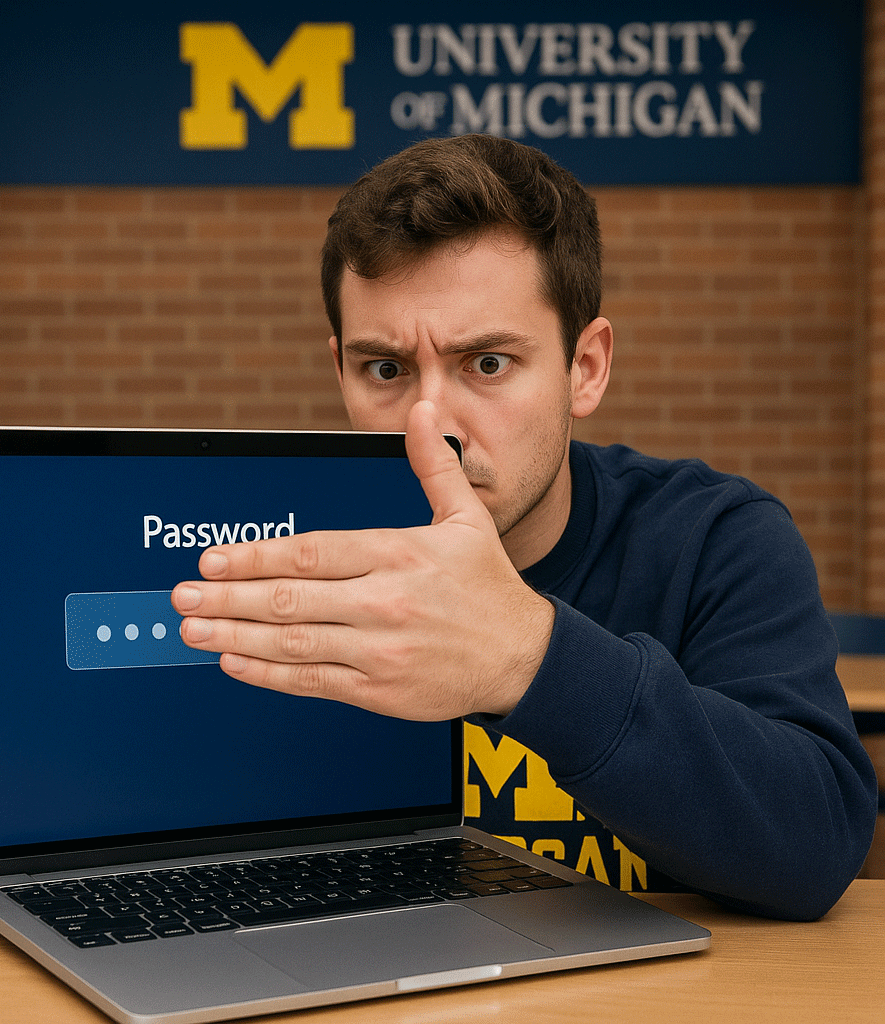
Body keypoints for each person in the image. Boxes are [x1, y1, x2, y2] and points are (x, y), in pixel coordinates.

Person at [172, 134, 877, 921]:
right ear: (340, 368)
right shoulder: (279, 568)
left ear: (586, 368)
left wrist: (528, 657)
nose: (430, 424)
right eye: (385, 370)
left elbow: (815, 846)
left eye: (488, 364)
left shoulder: (714, 540)